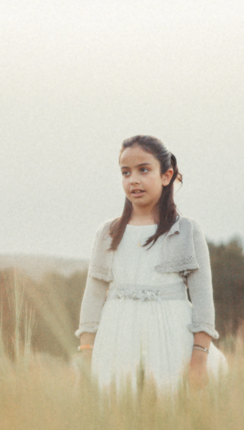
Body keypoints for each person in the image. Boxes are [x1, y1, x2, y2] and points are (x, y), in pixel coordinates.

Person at [76, 135, 227, 394]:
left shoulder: (187, 231)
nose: (133, 179)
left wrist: (200, 357)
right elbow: (93, 294)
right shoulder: (108, 233)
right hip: (117, 340)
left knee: (168, 407)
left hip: (170, 340)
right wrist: (87, 352)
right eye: (126, 172)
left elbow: (203, 300)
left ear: (166, 176)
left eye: (143, 170)